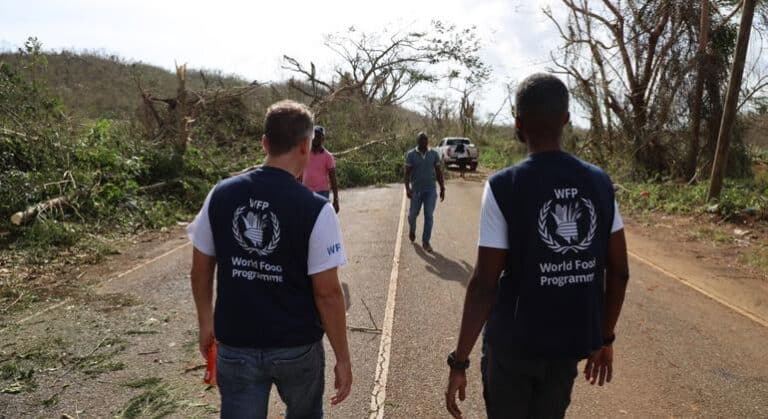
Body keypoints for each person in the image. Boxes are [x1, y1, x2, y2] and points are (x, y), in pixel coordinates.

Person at [445, 73, 630, 419]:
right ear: (566, 119)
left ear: (517, 123)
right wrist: (605, 338)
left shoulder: (504, 186)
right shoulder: (600, 183)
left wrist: (460, 361)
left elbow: (485, 285)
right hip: (567, 346)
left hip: (512, 348)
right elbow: (619, 272)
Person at [188, 100, 352, 419]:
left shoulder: (221, 194)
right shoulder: (317, 209)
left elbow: (200, 268)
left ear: (265, 143)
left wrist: (206, 322)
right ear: (306, 146)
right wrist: (343, 358)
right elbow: (328, 293)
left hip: (235, 345)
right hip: (297, 348)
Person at [404, 132, 446, 253]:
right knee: (413, 216)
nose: (423, 142)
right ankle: (412, 229)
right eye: (421, 140)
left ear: (427, 141)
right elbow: (407, 173)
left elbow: (438, 172)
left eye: (425, 140)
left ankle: (426, 242)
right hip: (416, 190)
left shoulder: (433, 154)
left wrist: (442, 187)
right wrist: (408, 188)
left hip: (430, 190)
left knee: (429, 216)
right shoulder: (411, 155)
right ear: (417, 141)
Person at [302, 125, 340, 213]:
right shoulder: (305, 153)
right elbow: (299, 173)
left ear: (323, 139)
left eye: (319, 136)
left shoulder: (328, 157)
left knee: (320, 217)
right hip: (306, 192)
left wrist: (336, 200)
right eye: (314, 136)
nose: (316, 139)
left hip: (322, 193)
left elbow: (333, 179)